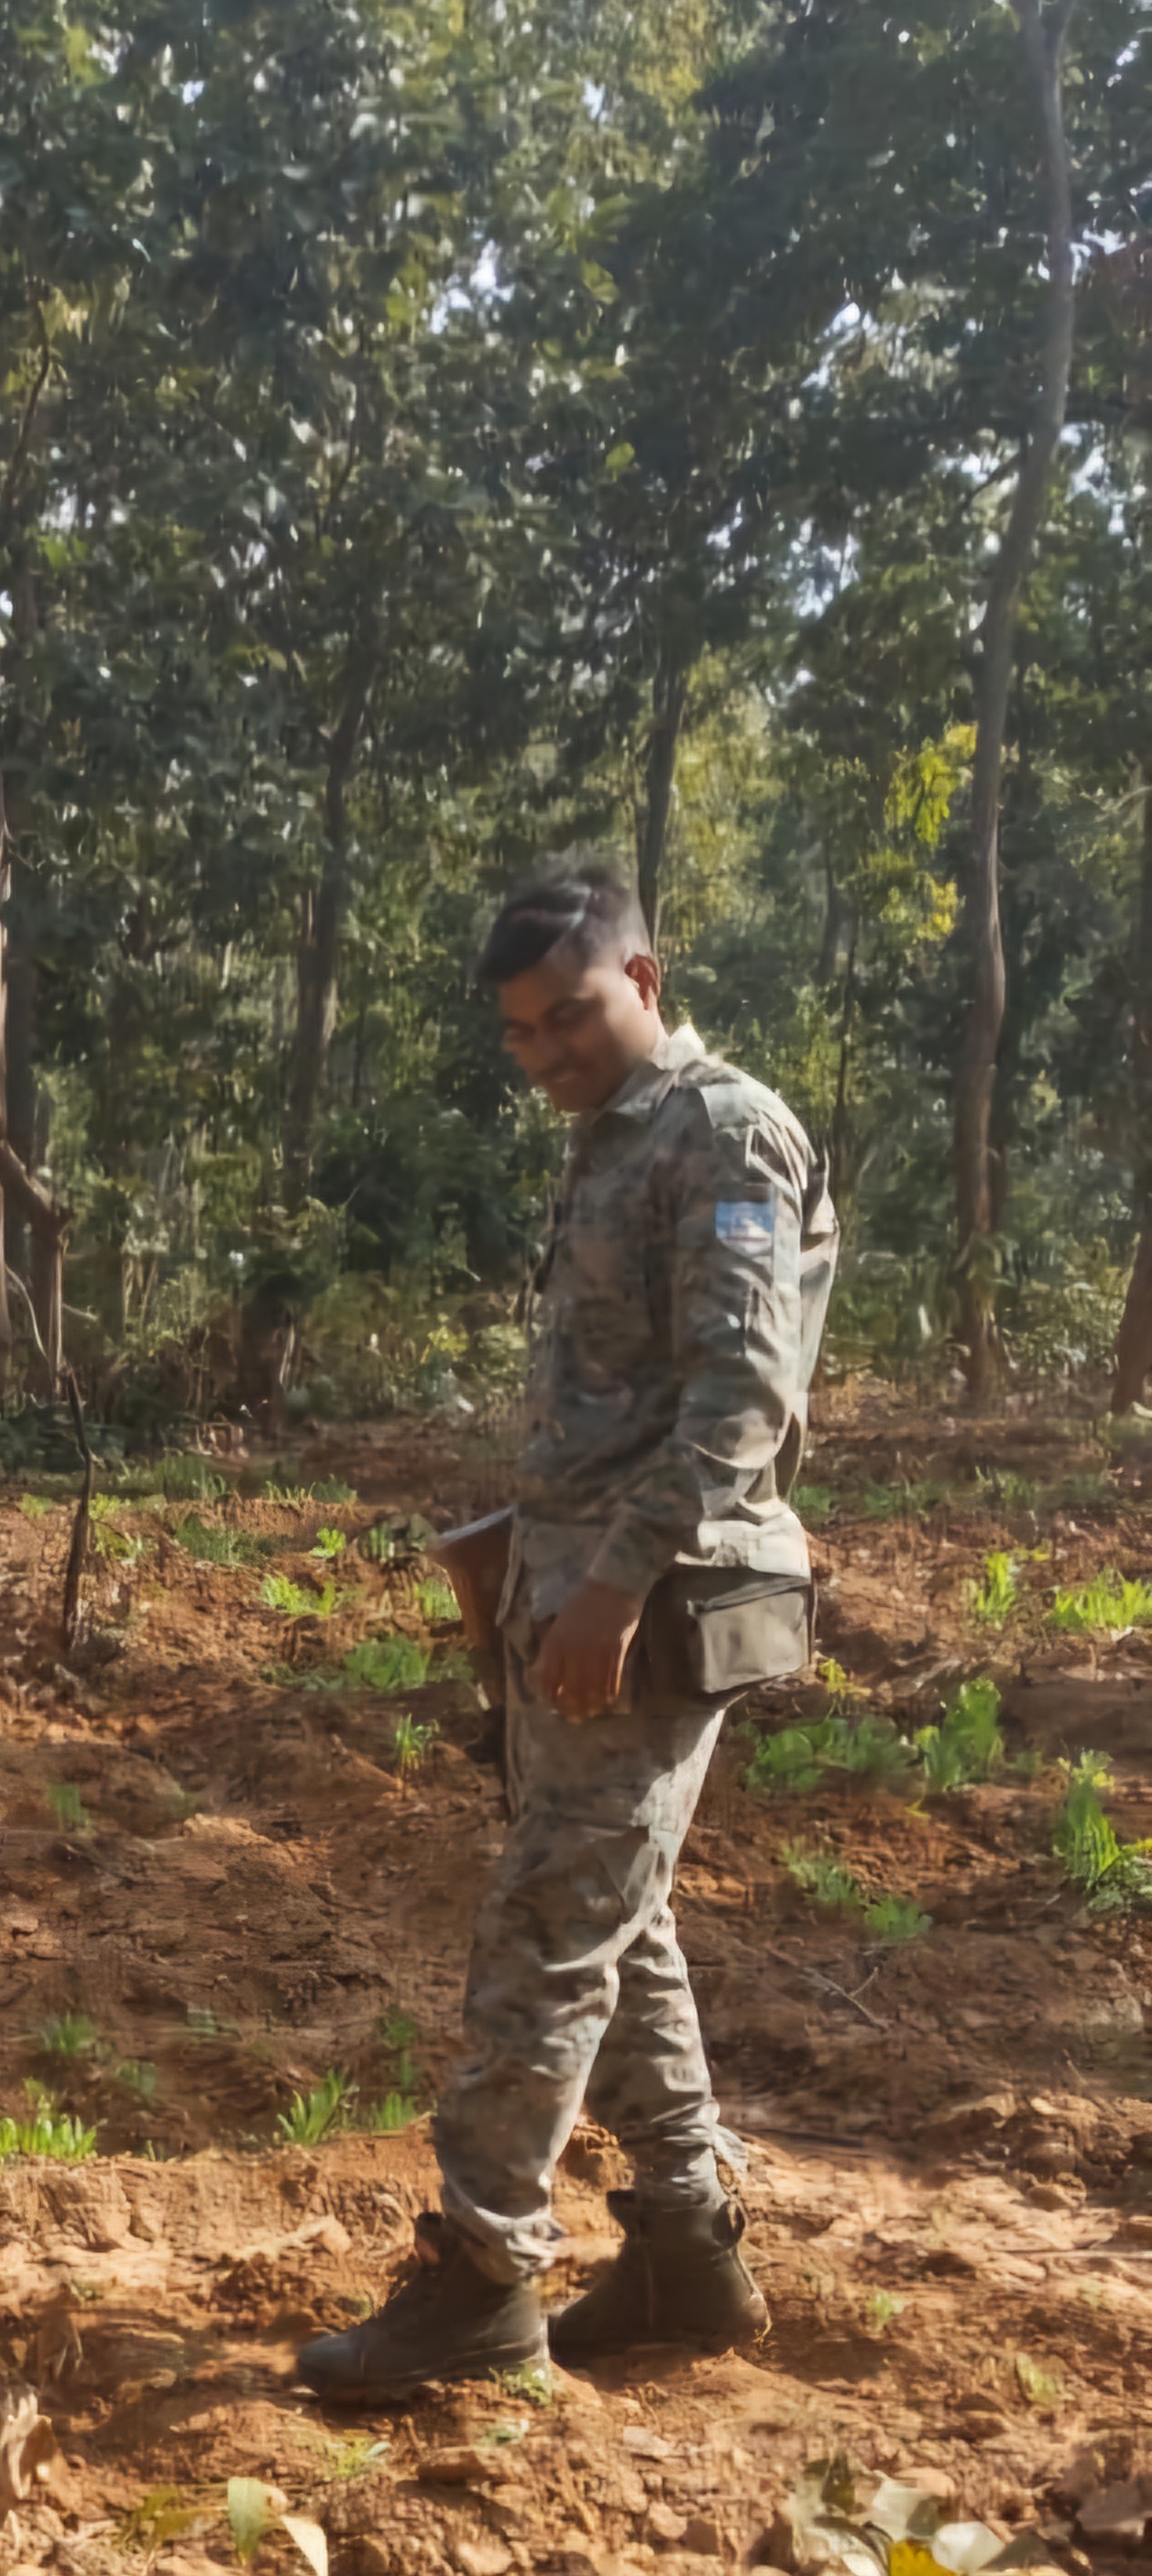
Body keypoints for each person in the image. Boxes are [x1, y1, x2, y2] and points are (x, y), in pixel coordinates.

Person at [298, 864, 837, 2398]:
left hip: (656, 1601)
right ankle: (684, 2241)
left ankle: (480, 2274)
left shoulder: (722, 1126)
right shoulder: (612, 1140)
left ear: (644, 978)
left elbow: (744, 1400)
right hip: (576, 1592)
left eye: (572, 1015)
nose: (546, 1052)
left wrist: (609, 1585)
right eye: (522, 1033)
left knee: (547, 1926)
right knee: (619, 1910)